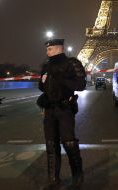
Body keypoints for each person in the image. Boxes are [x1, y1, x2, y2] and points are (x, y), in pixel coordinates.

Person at [38, 38, 86, 190]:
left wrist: (63, 80)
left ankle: (77, 176)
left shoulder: (72, 63)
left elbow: (81, 85)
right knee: (51, 145)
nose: (47, 51)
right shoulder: (46, 66)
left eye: (49, 49)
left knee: (69, 143)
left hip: (65, 109)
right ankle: (53, 179)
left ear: (59, 48)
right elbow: (41, 86)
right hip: (49, 110)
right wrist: (44, 97)